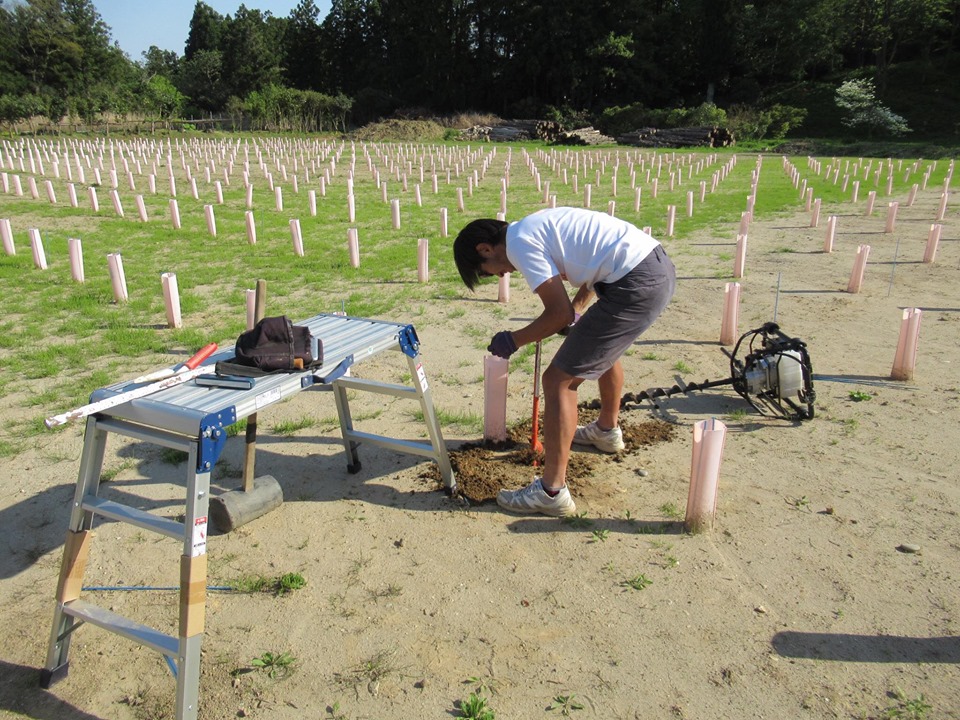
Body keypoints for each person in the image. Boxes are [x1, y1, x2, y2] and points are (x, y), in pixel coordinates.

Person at [453, 206, 675, 517]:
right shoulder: (535, 226)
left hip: (635, 282)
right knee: (601, 350)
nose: (498, 275)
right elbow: (591, 271)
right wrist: (579, 310)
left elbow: (558, 316)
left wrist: (513, 339)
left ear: (485, 249)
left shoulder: (519, 244)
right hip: (651, 268)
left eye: (484, 271)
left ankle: (551, 491)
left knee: (557, 380)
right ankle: (606, 432)